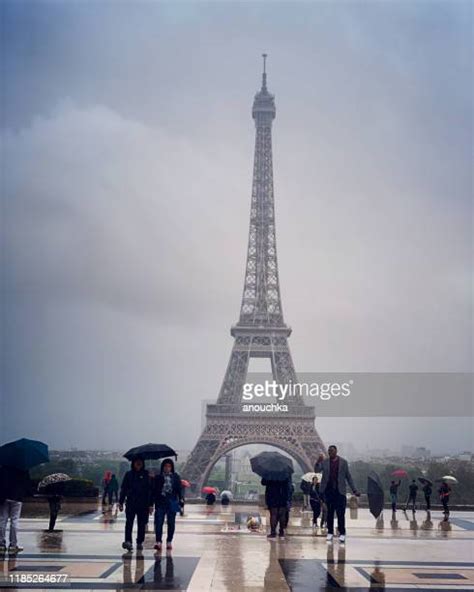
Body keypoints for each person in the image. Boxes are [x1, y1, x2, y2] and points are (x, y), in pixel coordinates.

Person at [314, 445, 360, 543]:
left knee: (340, 514)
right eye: (329, 451)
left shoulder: (343, 462)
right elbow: (317, 470)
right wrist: (318, 461)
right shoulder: (325, 462)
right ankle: (330, 532)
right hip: (329, 491)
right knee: (330, 513)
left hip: (340, 492)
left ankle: (342, 533)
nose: (330, 452)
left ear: (336, 451)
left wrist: (354, 490)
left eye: (332, 451)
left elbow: (349, 477)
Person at [150, 458, 183, 552]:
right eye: (165, 466)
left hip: (172, 502)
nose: (167, 468)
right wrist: (151, 504)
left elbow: (179, 490)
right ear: (162, 467)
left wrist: (180, 499)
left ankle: (169, 541)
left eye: (169, 466)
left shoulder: (176, 477)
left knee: (171, 523)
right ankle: (158, 541)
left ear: (172, 467)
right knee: (158, 522)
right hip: (160, 502)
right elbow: (154, 491)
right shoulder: (158, 477)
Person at [119, 457, 151, 552]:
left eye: (140, 462)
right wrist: (120, 502)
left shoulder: (146, 475)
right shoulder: (129, 475)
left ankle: (139, 541)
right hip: (131, 502)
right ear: (133, 463)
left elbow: (150, 490)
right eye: (137, 462)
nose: (138, 464)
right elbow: (124, 489)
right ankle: (128, 541)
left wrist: (150, 504)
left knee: (142, 524)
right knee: (129, 523)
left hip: (143, 503)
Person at [0, 465, 32, 554]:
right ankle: (13, 545)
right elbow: (27, 483)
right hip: (17, 496)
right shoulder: (23, 467)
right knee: (14, 521)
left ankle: (1, 544)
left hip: (4, 496)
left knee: (2, 520)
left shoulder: (4, 467)